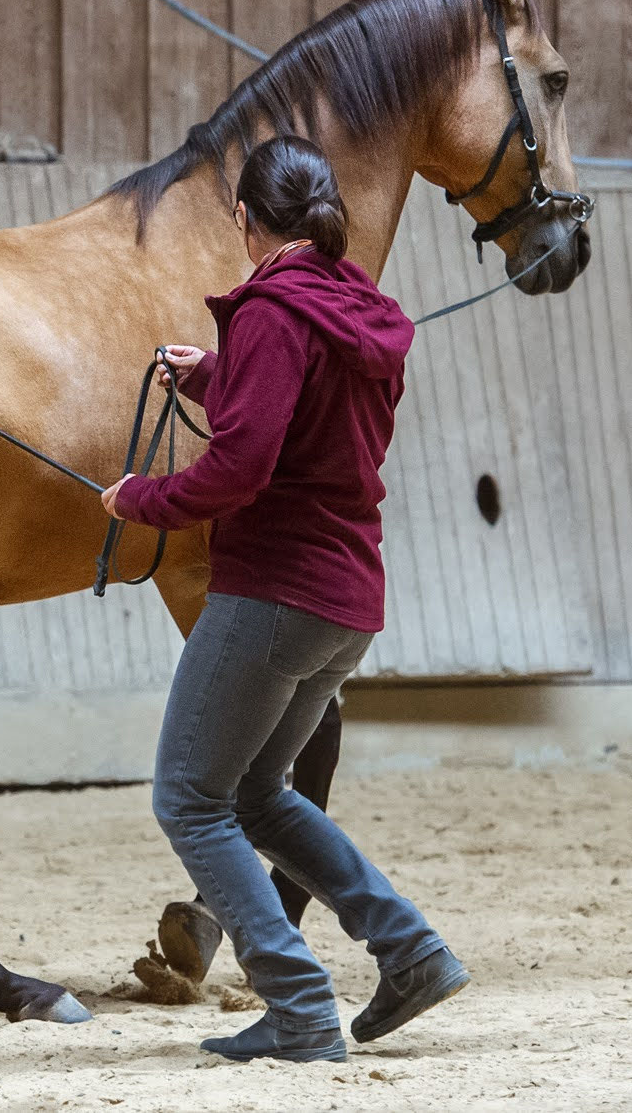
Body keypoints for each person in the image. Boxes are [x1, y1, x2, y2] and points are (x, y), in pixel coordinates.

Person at [101, 134, 469, 1063]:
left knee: (188, 796)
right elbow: (312, 413)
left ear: (243, 219)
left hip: (274, 591)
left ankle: (300, 1004)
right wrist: (219, 374)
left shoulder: (270, 311)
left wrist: (140, 498)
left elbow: (243, 467)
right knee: (260, 792)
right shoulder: (362, 307)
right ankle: (411, 950)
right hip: (349, 597)